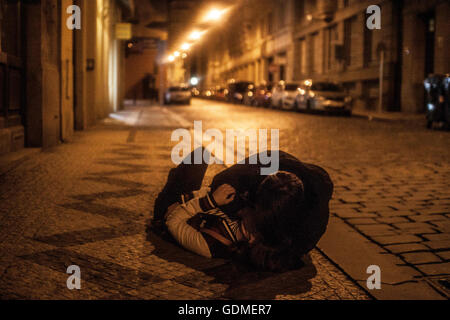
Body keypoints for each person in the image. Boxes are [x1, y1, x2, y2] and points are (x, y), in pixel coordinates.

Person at [152, 148, 333, 272]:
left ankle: (172, 186)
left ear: (255, 233)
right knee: (200, 156)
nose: (242, 211)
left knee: (197, 157)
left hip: (175, 207)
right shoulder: (268, 230)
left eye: (250, 209)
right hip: (202, 200)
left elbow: (173, 221)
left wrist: (209, 201)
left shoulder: (211, 244)